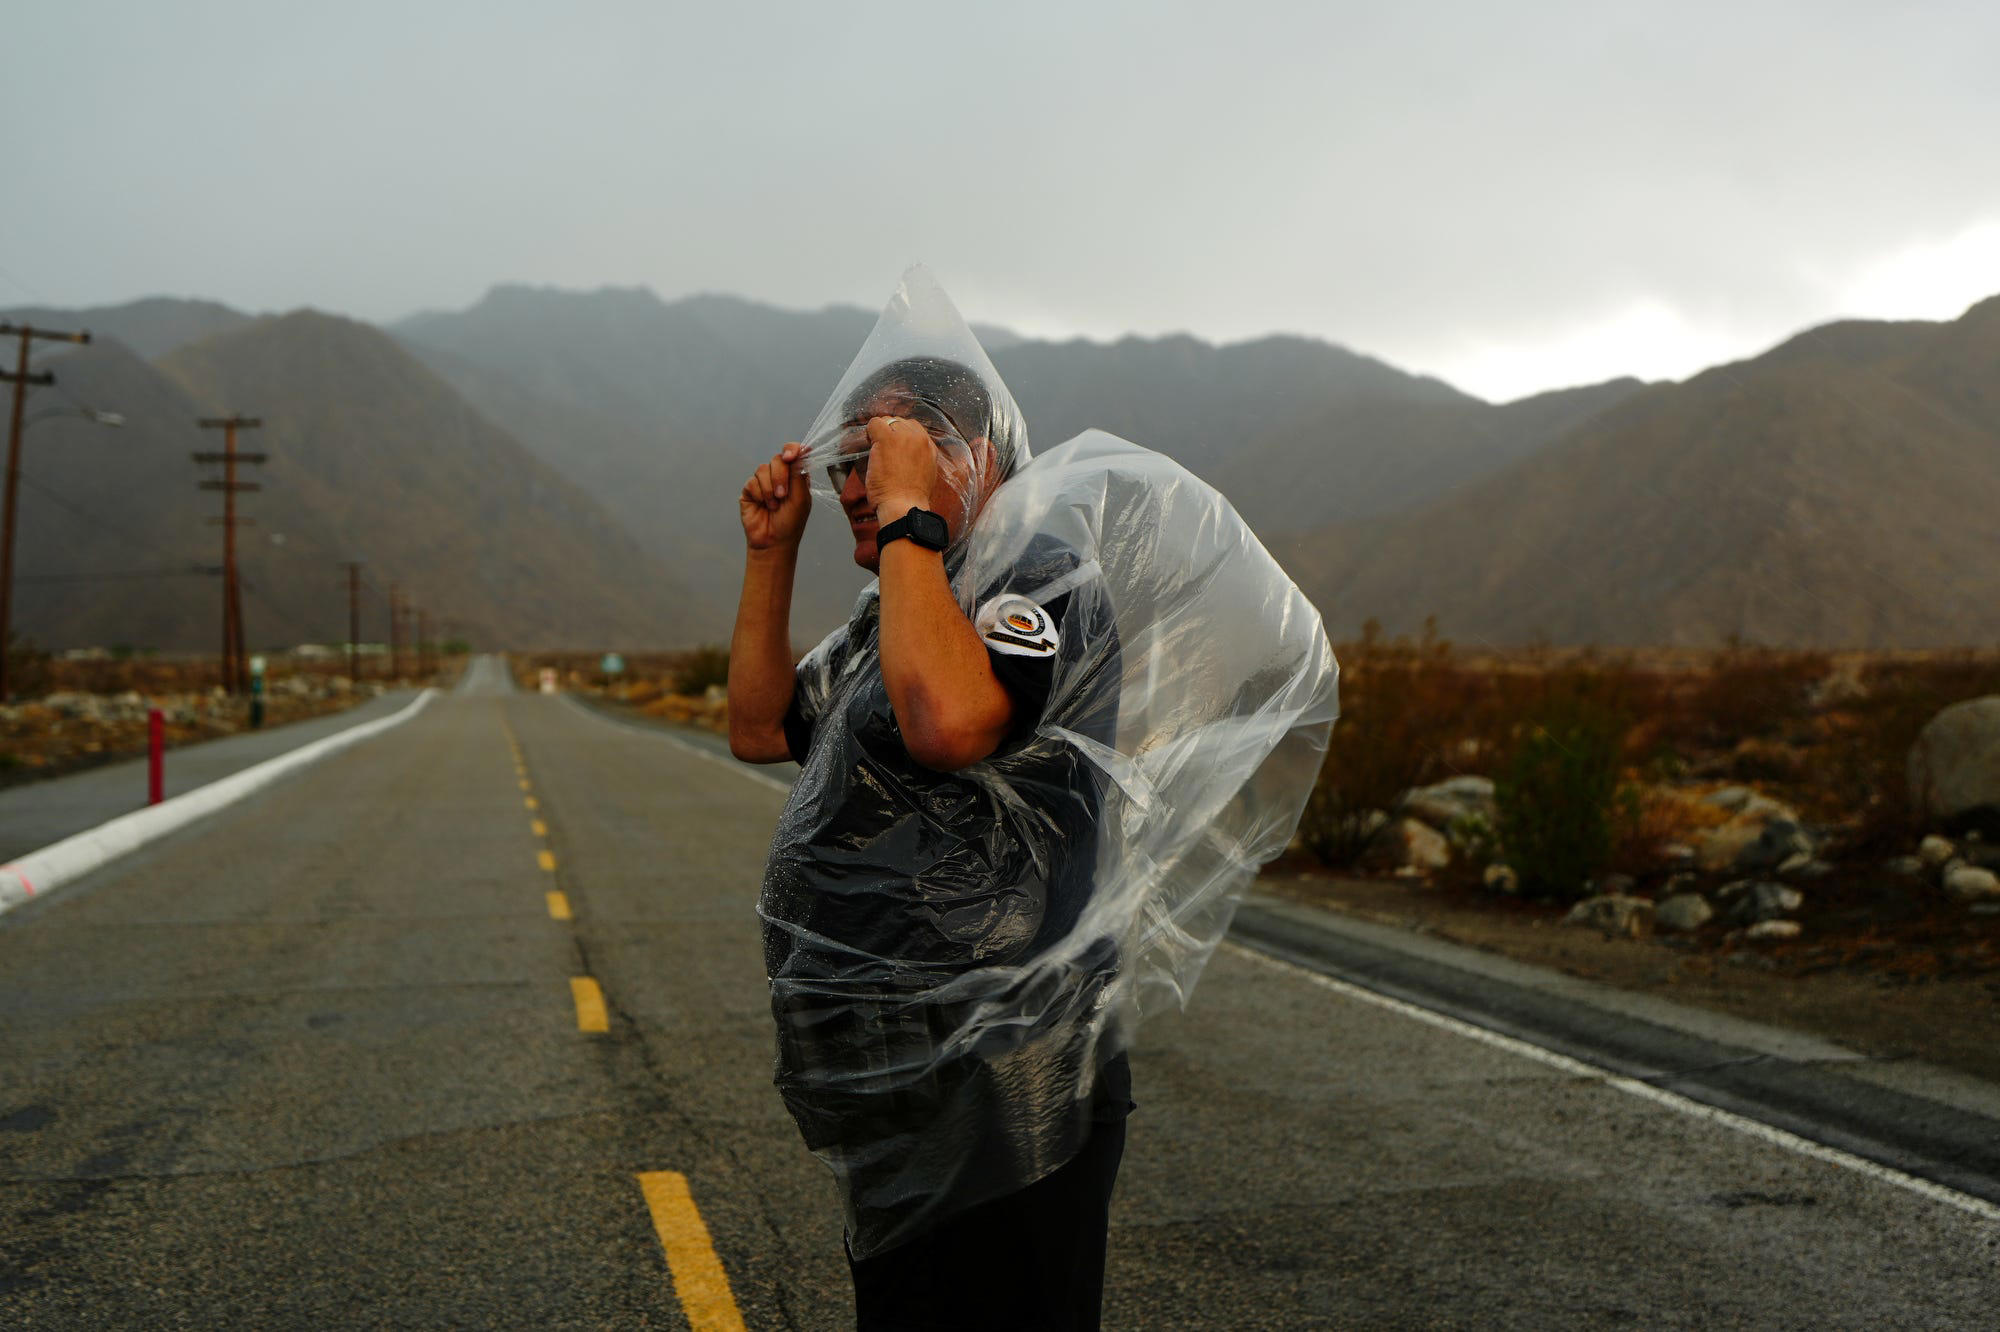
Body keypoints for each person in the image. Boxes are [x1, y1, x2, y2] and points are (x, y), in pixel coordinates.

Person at [729, 356, 1129, 1331]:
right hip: (903, 1079)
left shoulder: (1041, 579)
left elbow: (948, 725)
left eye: (883, 457)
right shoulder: (893, 618)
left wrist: (912, 525)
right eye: (845, 468)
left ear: (969, 456)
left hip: (1015, 1082)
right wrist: (771, 554)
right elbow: (758, 726)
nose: (855, 488)